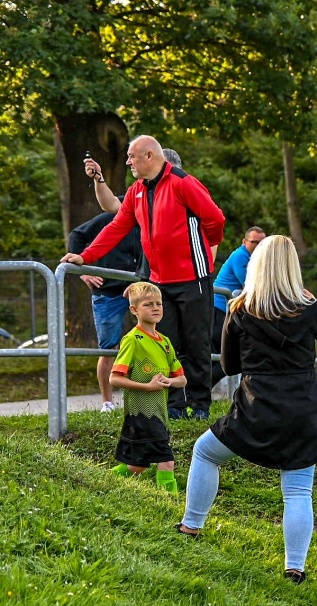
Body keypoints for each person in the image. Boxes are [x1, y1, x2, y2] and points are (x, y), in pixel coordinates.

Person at [178, 236, 317, 583]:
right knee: (298, 490)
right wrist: (314, 307)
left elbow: (227, 364)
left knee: (205, 452)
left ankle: (191, 526)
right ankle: (294, 568)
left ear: (256, 265)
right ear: (292, 268)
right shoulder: (309, 308)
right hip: (304, 409)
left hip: (257, 407)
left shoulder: (240, 309)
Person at [64, 136, 225, 421]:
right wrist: (85, 257)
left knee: (196, 342)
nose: (127, 162)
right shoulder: (137, 190)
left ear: (149, 156)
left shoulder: (183, 183)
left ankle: (199, 405)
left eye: (132, 157)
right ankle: (174, 405)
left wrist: (203, 256)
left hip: (193, 278)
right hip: (159, 281)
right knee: (167, 343)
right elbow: (116, 227)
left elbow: (215, 220)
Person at [108, 282, 185, 493]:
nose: (156, 308)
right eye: (148, 304)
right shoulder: (133, 339)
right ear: (134, 310)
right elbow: (114, 378)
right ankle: (171, 503)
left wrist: (169, 381)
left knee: (137, 466)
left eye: (159, 304)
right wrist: (147, 386)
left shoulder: (165, 341)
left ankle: (103, 479)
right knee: (167, 461)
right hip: (141, 414)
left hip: (160, 415)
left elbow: (182, 379)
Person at [68, 210, 142, 412]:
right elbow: (77, 235)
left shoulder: (154, 212)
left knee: (152, 341)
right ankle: (107, 403)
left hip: (139, 286)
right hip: (107, 290)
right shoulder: (113, 213)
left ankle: (146, 398)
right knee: (108, 348)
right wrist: (82, 272)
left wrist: (143, 280)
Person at [210, 226, 267, 387]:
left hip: (229, 311)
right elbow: (251, 286)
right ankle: (198, 393)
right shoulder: (241, 257)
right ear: (244, 242)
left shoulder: (255, 259)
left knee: (225, 358)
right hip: (219, 311)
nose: (258, 246)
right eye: (254, 242)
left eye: (262, 243)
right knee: (226, 357)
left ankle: (198, 394)